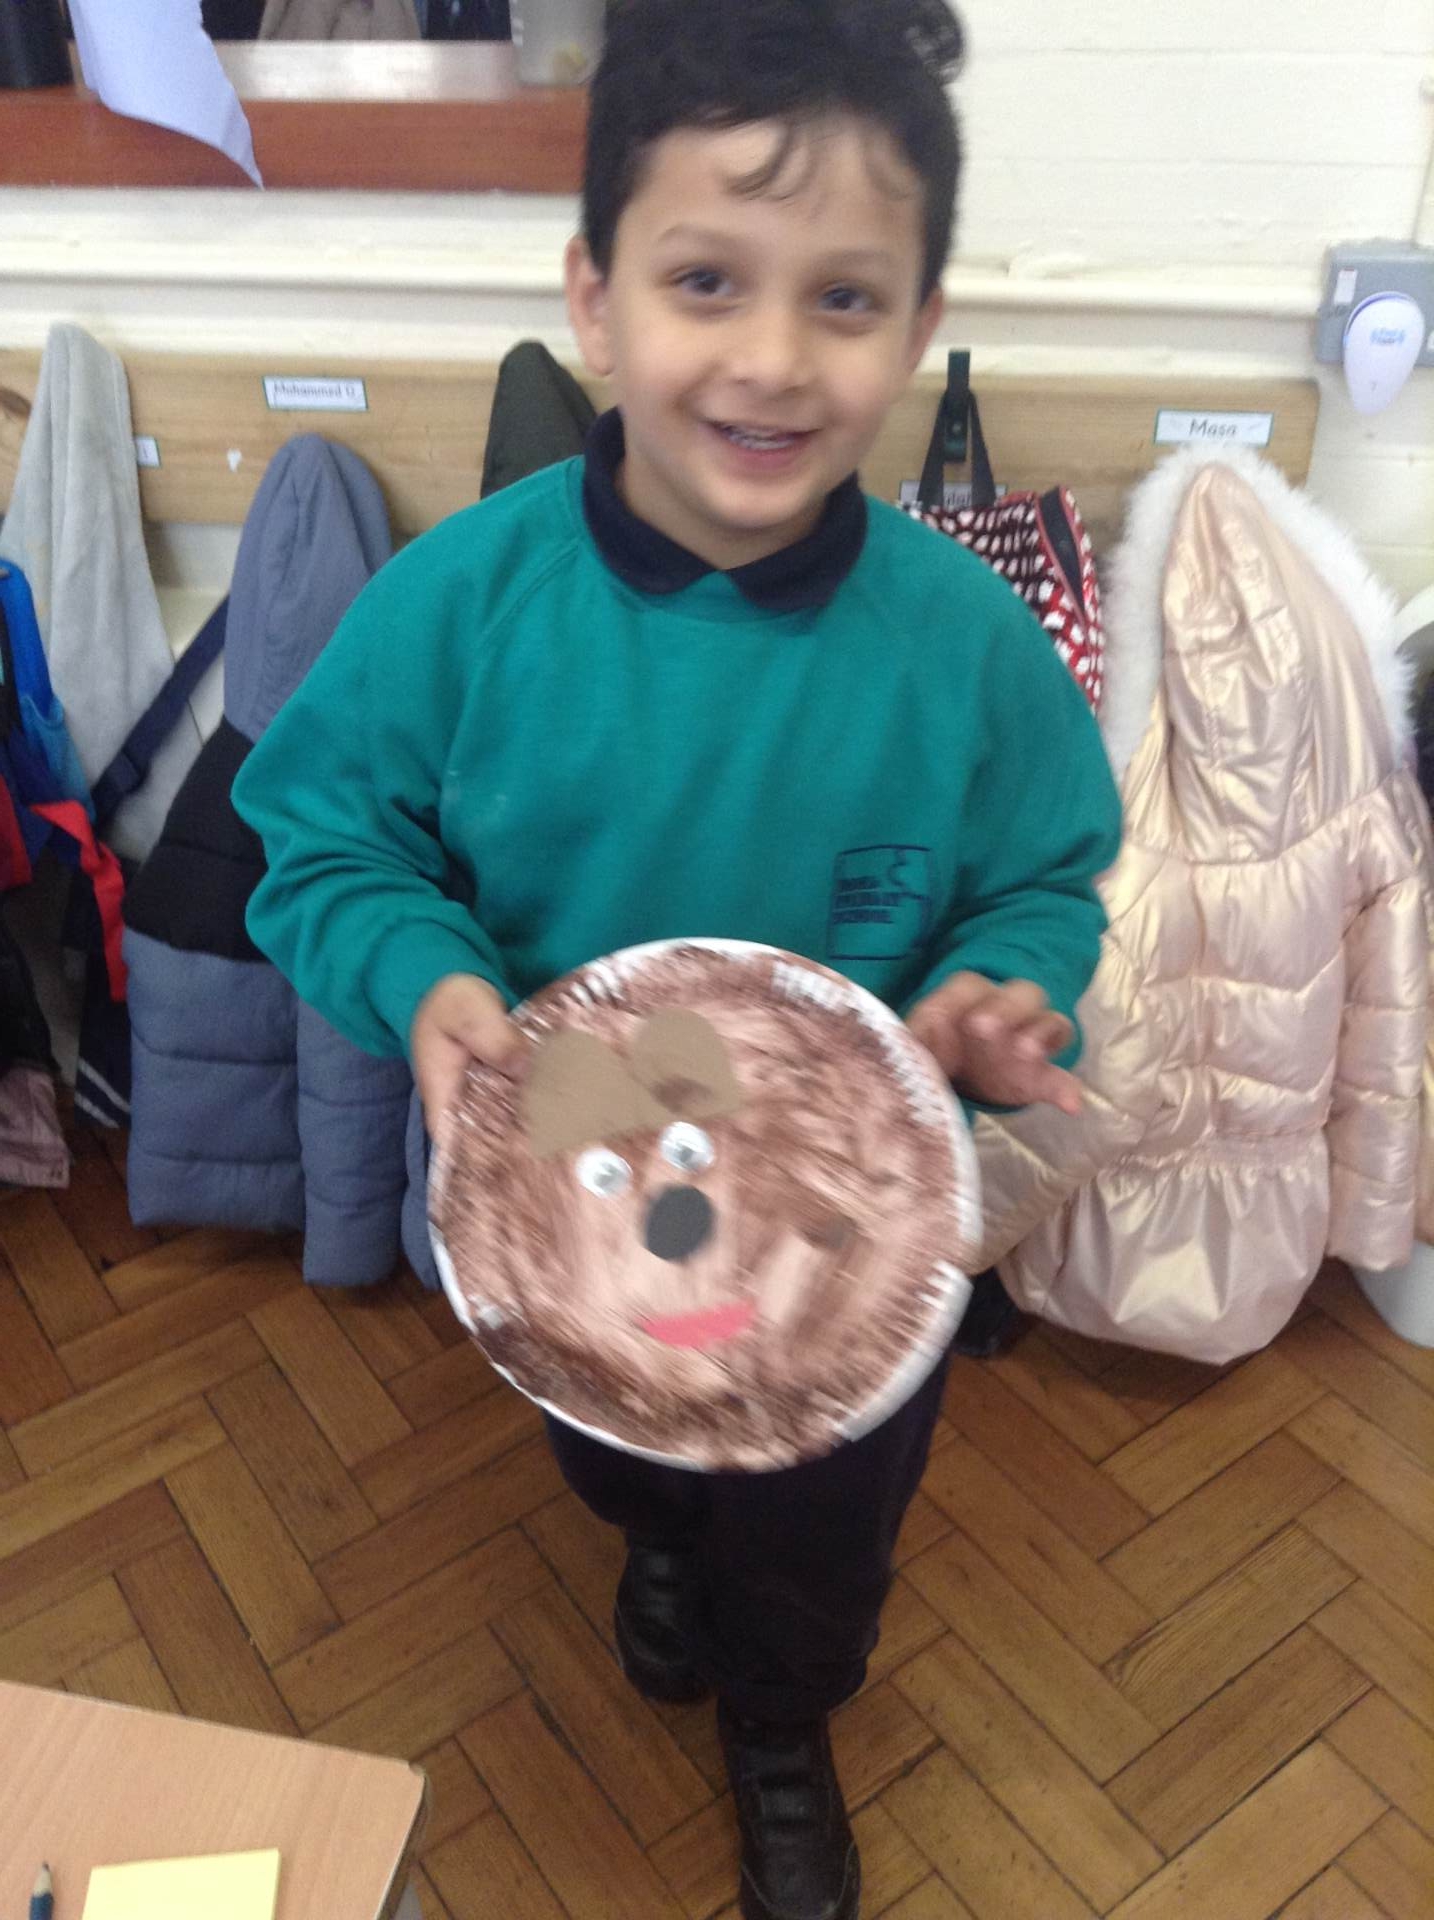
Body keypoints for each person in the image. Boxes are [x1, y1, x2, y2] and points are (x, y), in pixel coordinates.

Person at [233, 2, 1122, 1914]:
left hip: (850, 1244)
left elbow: (1046, 875)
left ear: (915, 320)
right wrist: (428, 977)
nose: (771, 359)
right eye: (705, 279)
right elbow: (319, 842)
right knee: (624, 1466)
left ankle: (783, 1724)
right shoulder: (462, 604)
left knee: (820, 1541)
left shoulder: (962, 642)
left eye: (843, 298)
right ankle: (649, 1537)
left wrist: (1002, 986)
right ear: (595, 294)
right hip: (571, 1215)